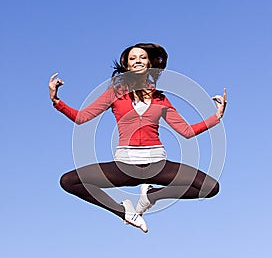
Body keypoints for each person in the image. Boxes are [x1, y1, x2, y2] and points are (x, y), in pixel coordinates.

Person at [49, 43, 227, 233]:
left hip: (157, 164)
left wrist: (216, 117)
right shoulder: (115, 94)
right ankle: (124, 211)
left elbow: (186, 131)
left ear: (149, 63)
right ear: (126, 66)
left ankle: (151, 196)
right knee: (68, 181)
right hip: (124, 166)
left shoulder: (160, 99)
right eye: (132, 59)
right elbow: (82, 117)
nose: (138, 61)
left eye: (142, 57)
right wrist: (56, 100)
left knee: (210, 187)